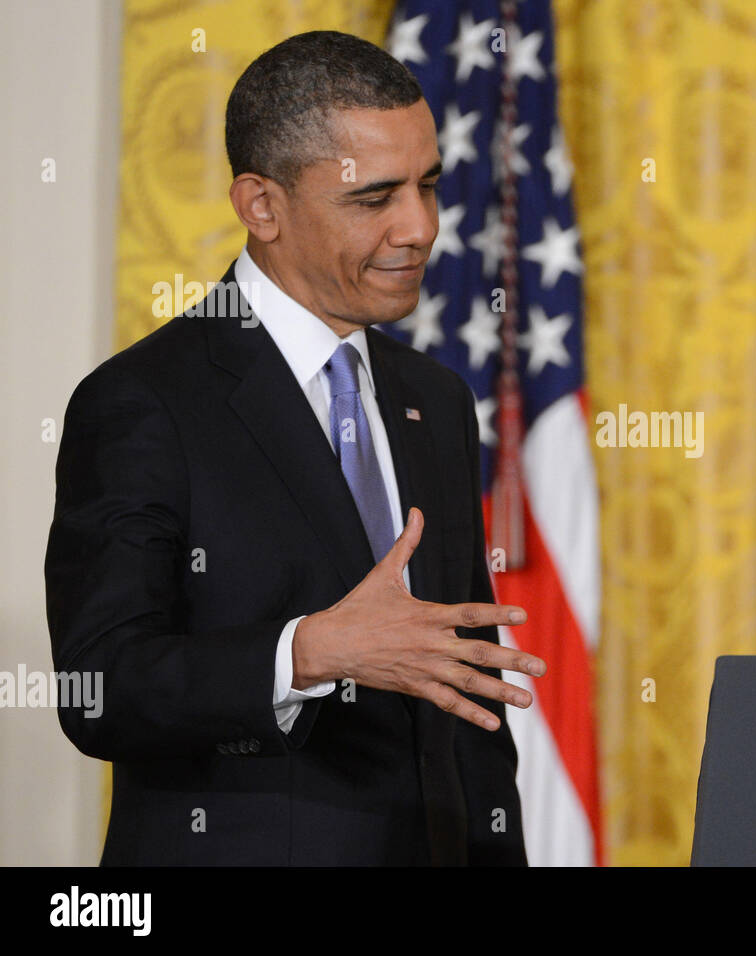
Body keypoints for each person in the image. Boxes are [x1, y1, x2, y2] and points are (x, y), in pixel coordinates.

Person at [45, 31, 545, 865]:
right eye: (374, 197)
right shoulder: (142, 401)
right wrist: (307, 653)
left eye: (427, 186)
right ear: (261, 206)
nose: (419, 227)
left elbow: (469, 708)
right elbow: (100, 689)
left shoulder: (436, 398)